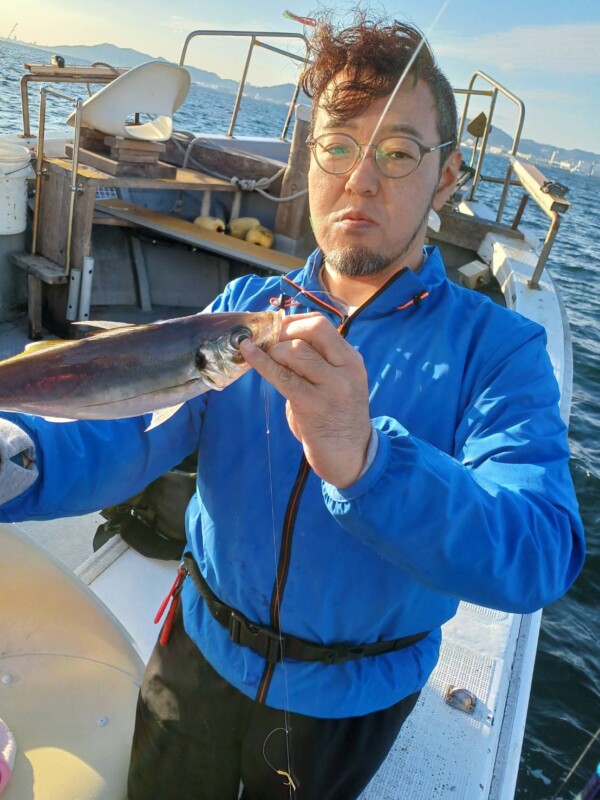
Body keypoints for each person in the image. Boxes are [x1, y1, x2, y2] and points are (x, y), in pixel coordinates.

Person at [0, 13, 585, 800]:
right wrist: (17, 456)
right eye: (337, 146)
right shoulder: (247, 308)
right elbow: (139, 425)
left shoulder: (498, 353)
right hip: (193, 658)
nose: (361, 179)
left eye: (399, 152)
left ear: (447, 179)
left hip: (346, 710)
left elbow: (539, 551)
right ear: (308, 162)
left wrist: (367, 459)